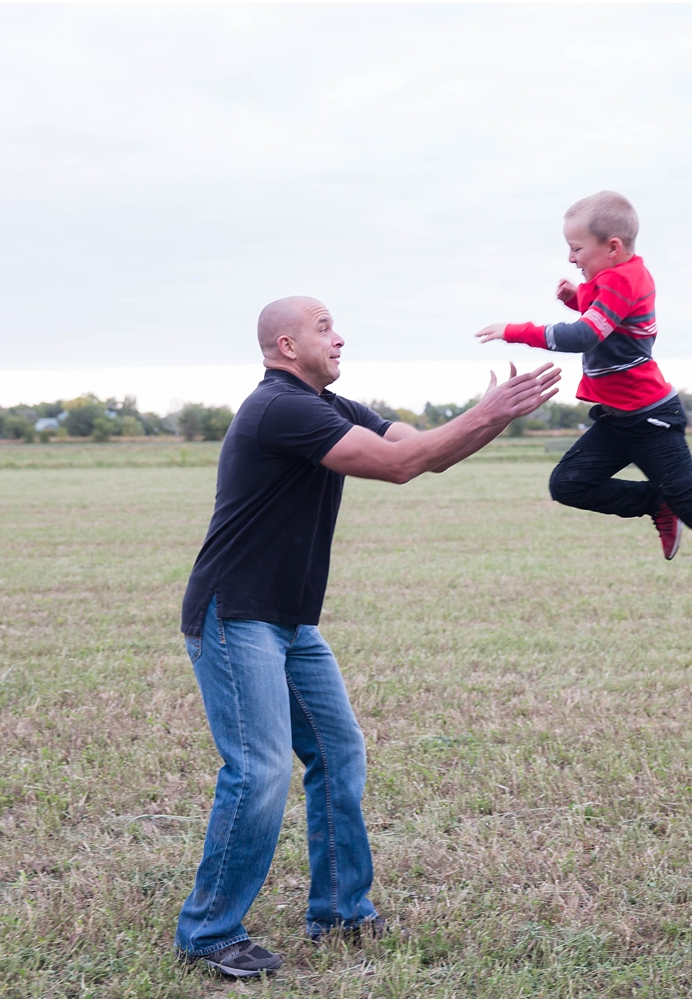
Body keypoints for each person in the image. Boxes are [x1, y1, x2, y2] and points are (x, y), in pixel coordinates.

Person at [175, 296, 560, 977]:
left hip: (287, 622)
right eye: (326, 329)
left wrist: (494, 417)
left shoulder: (328, 407)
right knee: (259, 772)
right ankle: (209, 933)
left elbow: (418, 452)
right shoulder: (280, 408)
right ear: (287, 346)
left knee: (337, 752)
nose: (341, 338)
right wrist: (489, 412)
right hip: (237, 615)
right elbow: (399, 466)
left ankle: (341, 912)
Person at [476, 190, 692, 560]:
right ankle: (658, 503)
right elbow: (610, 317)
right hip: (617, 420)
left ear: (612, 247)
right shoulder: (618, 277)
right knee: (569, 484)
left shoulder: (621, 280)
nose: (570, 258)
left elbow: (586, 334)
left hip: (651, 421)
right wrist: (576, 299)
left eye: (577, 248)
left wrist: (514, 330)